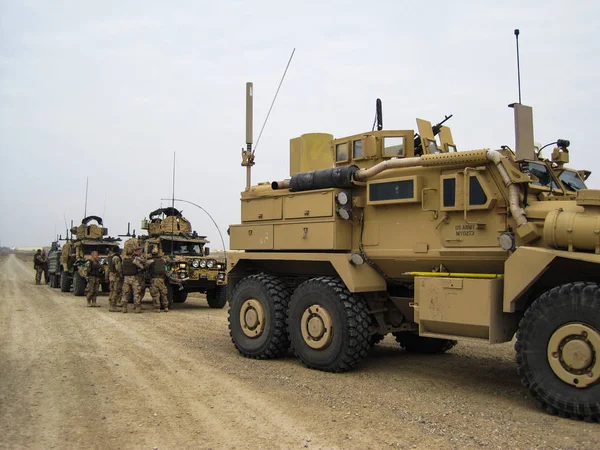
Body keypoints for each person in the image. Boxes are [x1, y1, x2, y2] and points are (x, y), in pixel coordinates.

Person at [120, 246, 147, 313]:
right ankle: (137, 308)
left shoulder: (124, 260)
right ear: (132, 253)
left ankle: (124, 308)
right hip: (134, 278)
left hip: (126, 278)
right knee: (136, 293)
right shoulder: (134, 260)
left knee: (125, 293)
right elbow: (141, 267)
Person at [147, 247, 169, 312]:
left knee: (155, 294)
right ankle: (166, 307)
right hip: (162, 279)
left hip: (154, 279)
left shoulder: (151, 261)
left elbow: (145, 267)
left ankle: (157, 308)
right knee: (163, 293)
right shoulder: (162, 260)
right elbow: (168, 261)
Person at [107, 248, 124, 312]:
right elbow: (118, 268)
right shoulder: (116, 258)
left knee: (112, 290)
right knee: (116, 291)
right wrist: (121, 274)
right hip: (116, 276)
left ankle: (111, 303)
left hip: (111, 275)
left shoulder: (110, 257)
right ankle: (113, 306)